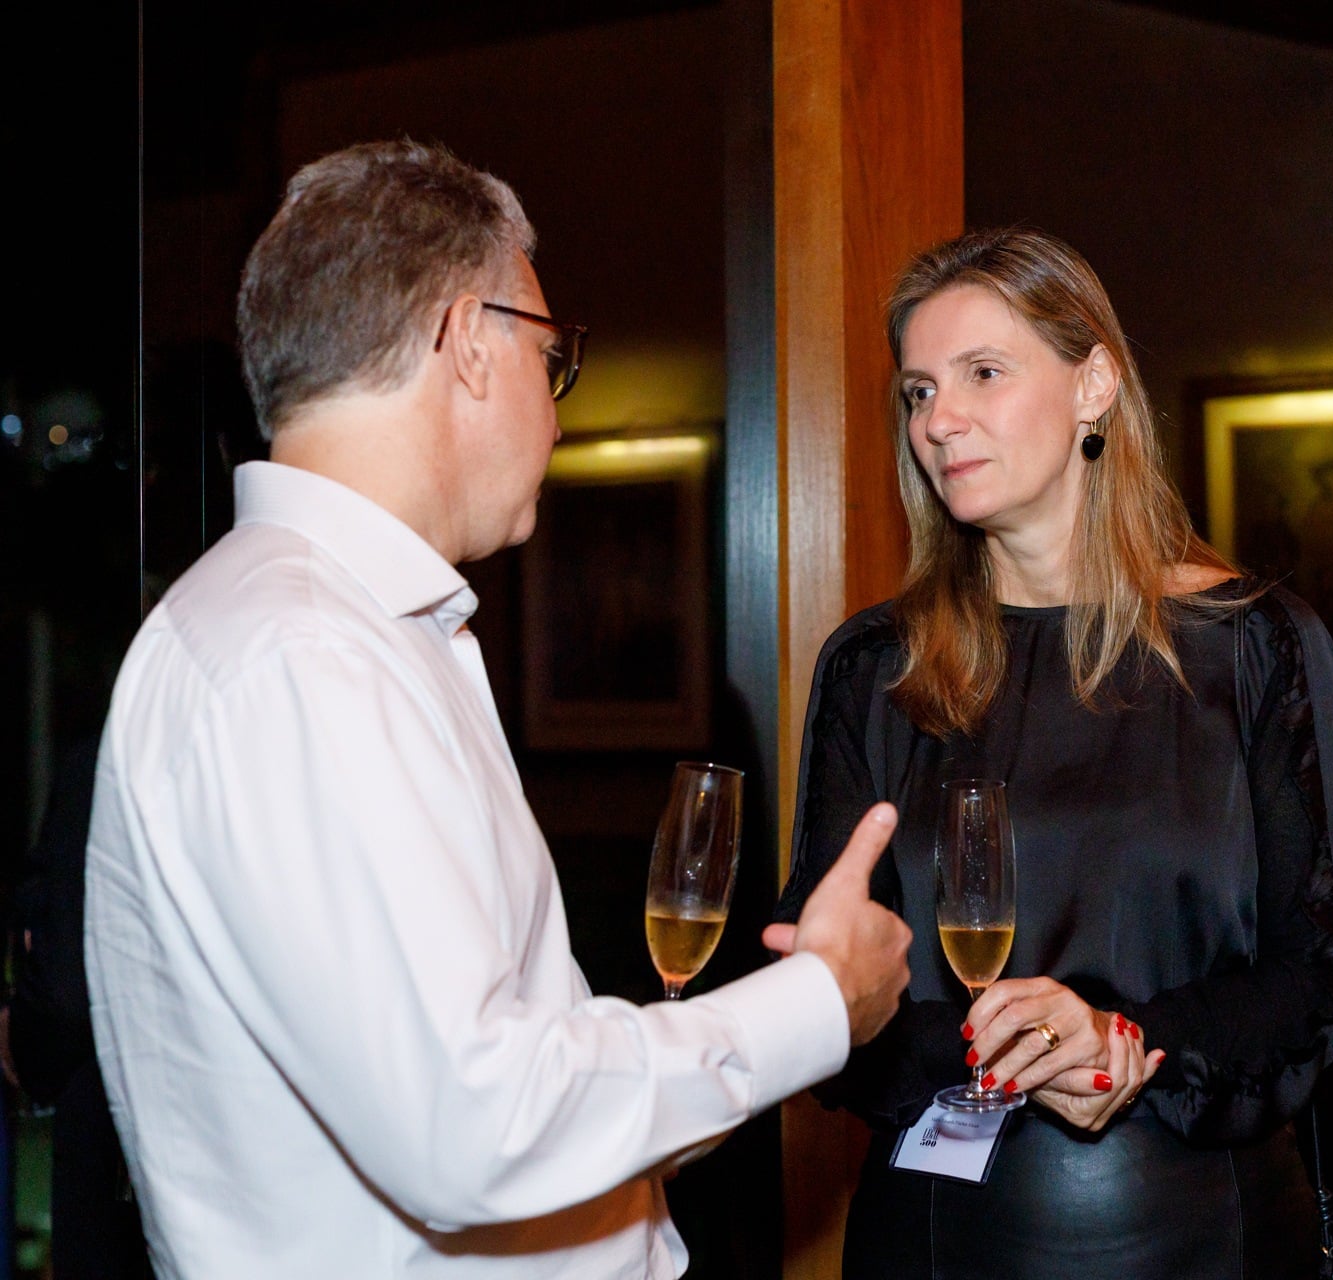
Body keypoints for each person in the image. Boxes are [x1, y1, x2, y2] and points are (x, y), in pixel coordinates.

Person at [84, 139, 911, 1279]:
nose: (558, 415)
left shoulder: (344, 631)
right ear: (470, 340)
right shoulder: (301, 654)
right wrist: (819, 1002)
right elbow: (480, 1124)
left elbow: (505, 1081)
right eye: (550, 357)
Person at [774, 228, 1333, 1278]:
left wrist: (1121, 1038)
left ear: (1093, 385)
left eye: (983, 373)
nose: (938, 419)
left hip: (1197, 1235)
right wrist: (993, 1040)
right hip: (931, 1239)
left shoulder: (1254, 647)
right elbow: (828, 1001)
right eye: (918, 391)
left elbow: (1318, 981)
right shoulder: (876, 666)